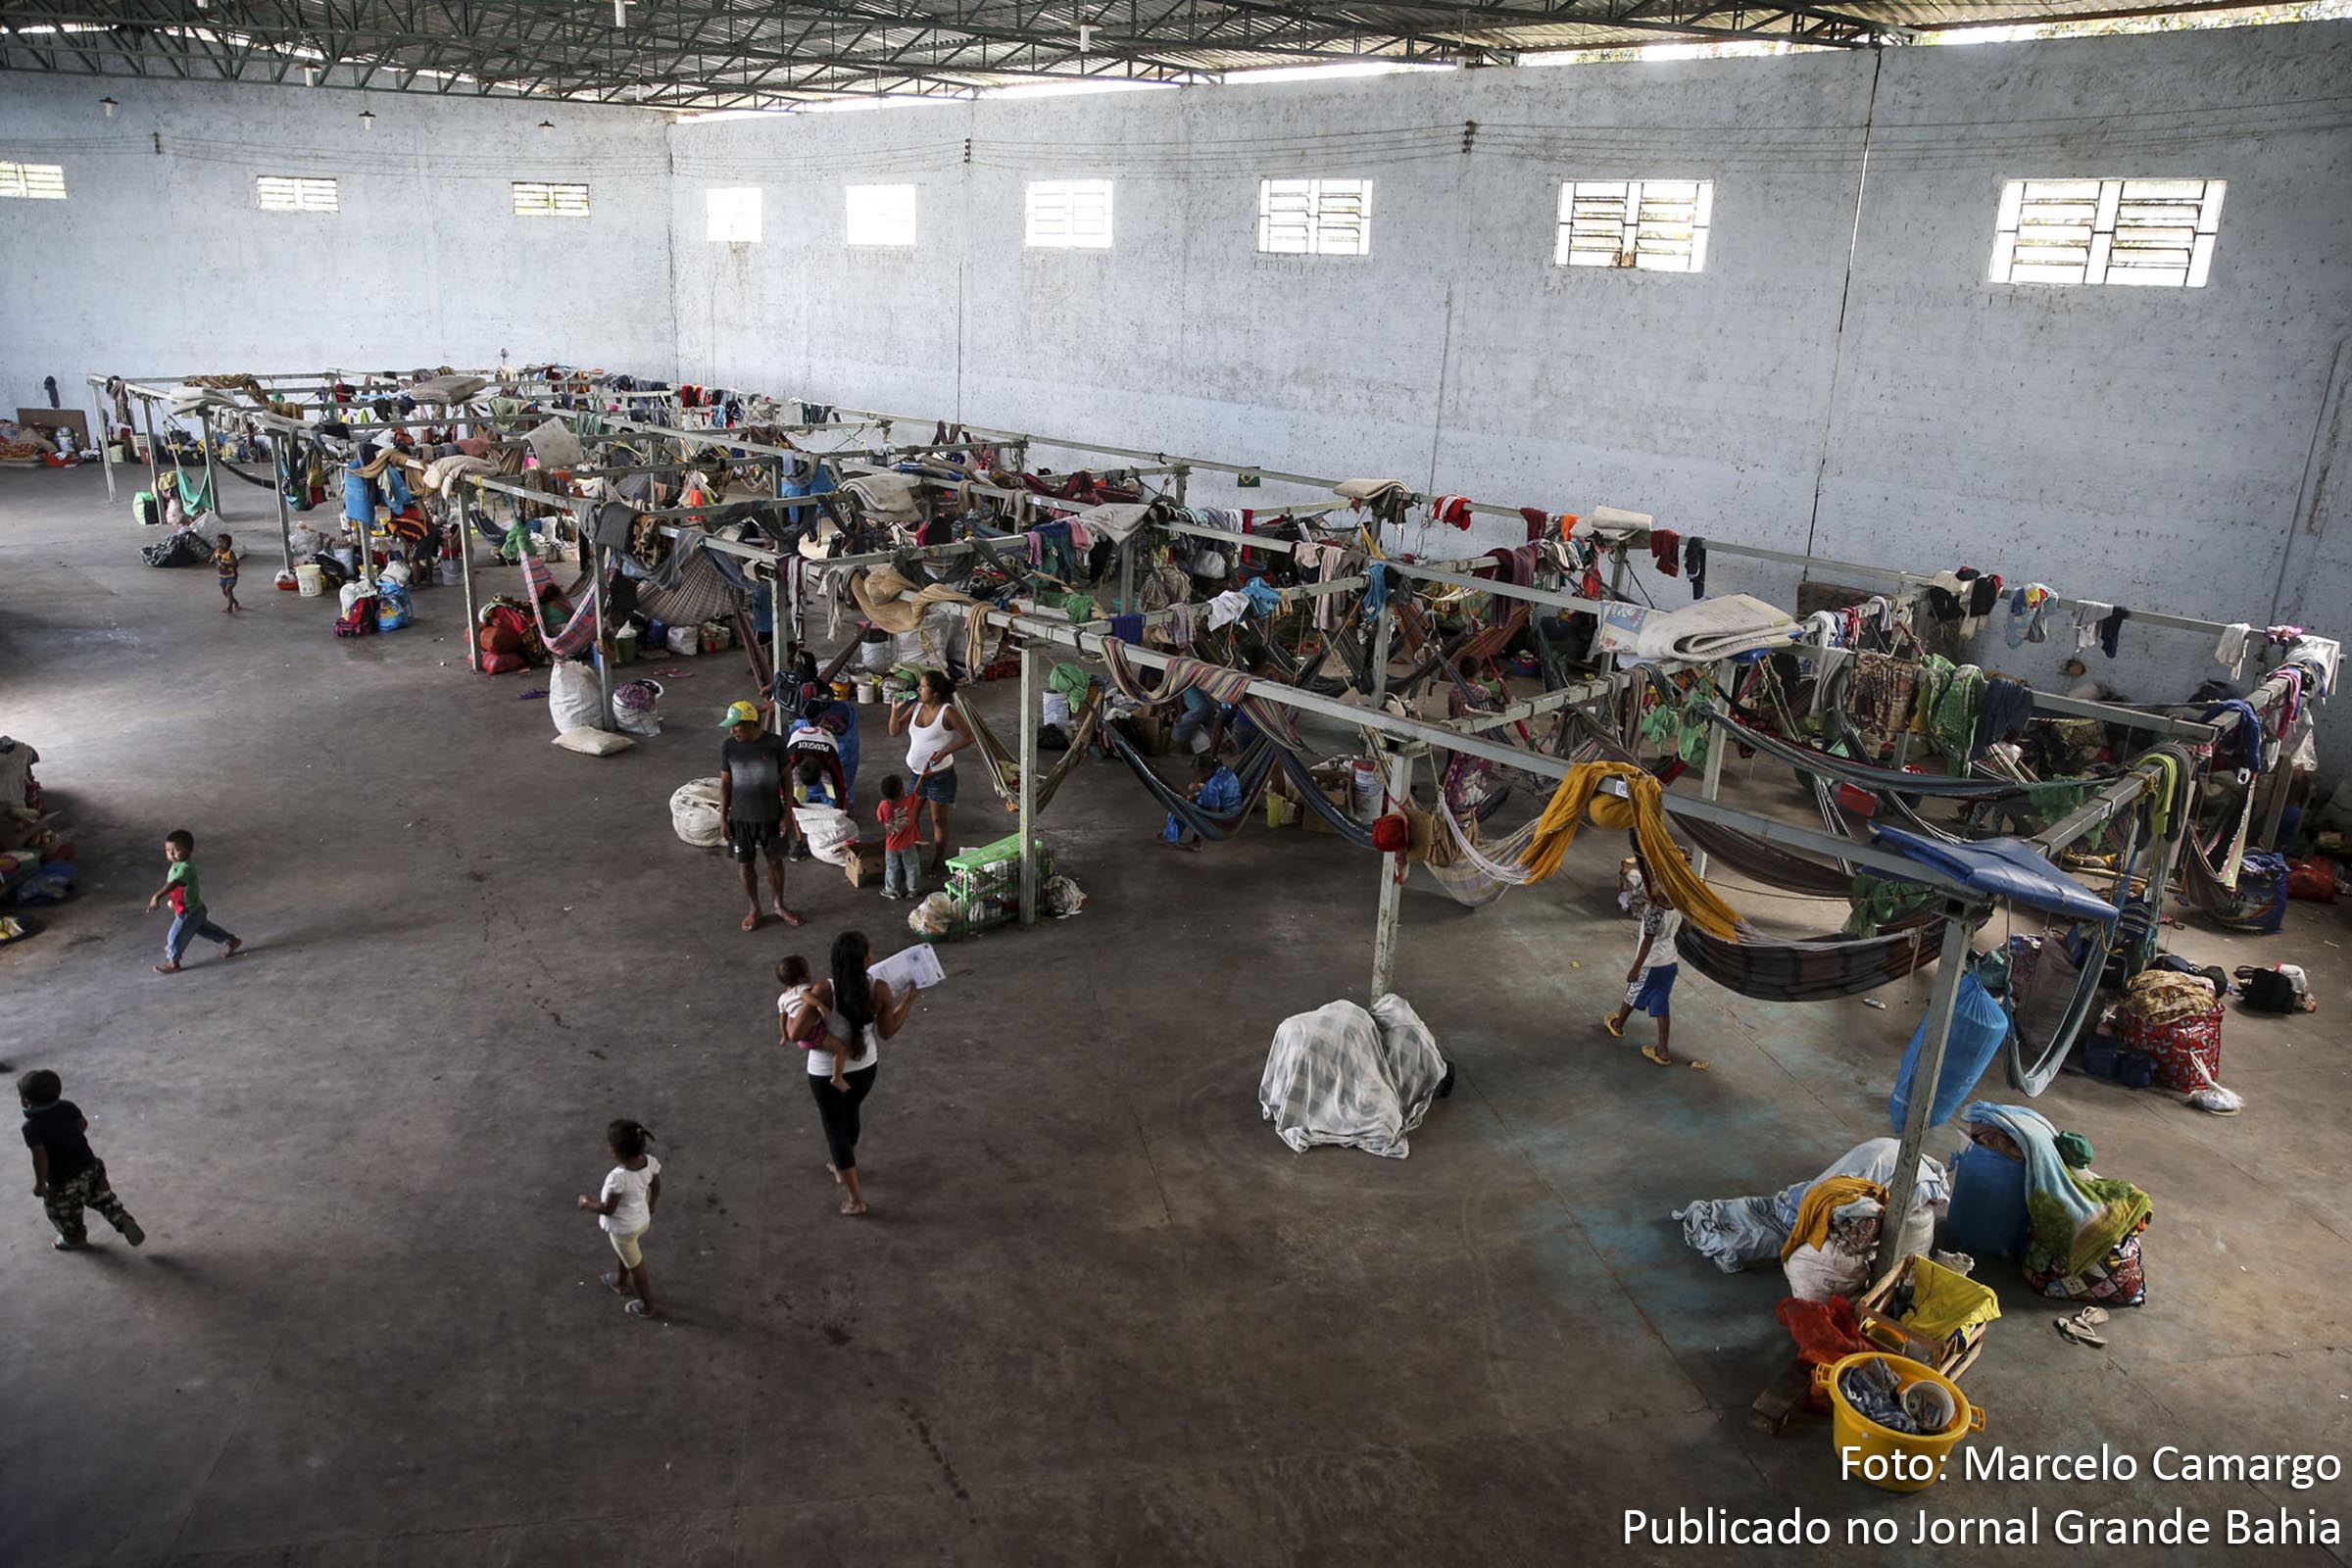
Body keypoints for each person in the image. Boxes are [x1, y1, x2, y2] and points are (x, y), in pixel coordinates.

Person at [779, 930, 916, 1216]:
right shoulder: (879, 988)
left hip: (824, 1072)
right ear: (865, 960)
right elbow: (887, 1031)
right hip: (866, 1069)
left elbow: (795, 1033)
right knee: (851, 1114)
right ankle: (843, 1164)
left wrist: (803, 1007)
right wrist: (910, 999)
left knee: (834, 1129)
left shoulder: (824, 990)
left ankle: (855, 1199)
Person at [20, 1068, 144, 1251]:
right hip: (91, 1167)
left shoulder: (31, 1127)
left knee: (62, 1212)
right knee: (103, 1198)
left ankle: (74, 1238)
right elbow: (83, 1124)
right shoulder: (68, 1107)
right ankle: (121, 1218)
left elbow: (40, 1158)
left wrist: (40, 1185)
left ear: (26, 1101)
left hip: (63, 1181)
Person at [1604, 854, 1706, 1069]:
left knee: (1632, 992)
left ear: (1663, 892)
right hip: (1669, 964)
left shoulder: (1654, 913)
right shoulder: (1676, 909)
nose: (1653, 885)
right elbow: (1686, 930)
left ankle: (1618, 1025)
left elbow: (1647, 943)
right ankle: (1662, 1050)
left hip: (1651, 963)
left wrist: (1635, 968)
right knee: (1661, 1004)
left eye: (1657, 884)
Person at [719, 700, 804, 932]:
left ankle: (778, 904)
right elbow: (725, 784)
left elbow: (787, 779)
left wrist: (787, 813)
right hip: (740, 818)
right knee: (745, 864)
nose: (732, 731)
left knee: (775, 861)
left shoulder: (775, 744)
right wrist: (723, 818)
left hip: (771, 816)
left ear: (750, 724)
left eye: (736, 726)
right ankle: (754, 908)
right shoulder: (729, 747)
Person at [889, 669, 973, 875]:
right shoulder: (916, 707)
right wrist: (894, 711)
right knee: (911, 816)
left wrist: (945, 751)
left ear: (935, 693)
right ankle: (913, 854)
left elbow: (968, 737)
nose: (919, 689)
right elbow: (894, 731)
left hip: (940, 777)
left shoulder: (948, 712)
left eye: (923, 686)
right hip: (917, 774)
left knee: (938, 820)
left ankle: (938, 859)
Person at [575, 1118, 662, 1319]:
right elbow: (656, 1186)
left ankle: (648, 1306)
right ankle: (621, 1282)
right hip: (641, 1219)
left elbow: (608, 1208)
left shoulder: (618, 1178)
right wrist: (652, 1205)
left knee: (636, 1265)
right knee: (626, 1251)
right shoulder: (650, 1162)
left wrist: (586, 1203)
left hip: (624, 1229)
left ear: (615, 1152)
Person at [147, 828, 241, 974]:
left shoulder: (186, 868)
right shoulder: (176, 865)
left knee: (174, 936)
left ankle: (174, 962)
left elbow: (174, 884)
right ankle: (232, 941)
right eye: (168, 850)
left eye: (176, 850)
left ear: (189, 850)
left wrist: (157, 896)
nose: (171, 854)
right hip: (195, 909)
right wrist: (173, 902)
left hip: (189, 912)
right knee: (207, 930)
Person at [1163, 753, 1240, 853]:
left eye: (1196, 772)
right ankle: (1169, 833)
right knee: (1191, 801)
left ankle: (1176, 838)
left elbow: (1213, 813)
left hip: (1224, 816)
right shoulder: (1225, 770)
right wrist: (1197, 795)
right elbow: (1220, 792)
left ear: (1204, 771)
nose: (1195, 775)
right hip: (1235, 808)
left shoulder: (1211, 787)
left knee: (1179, 809)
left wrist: (1195, 802)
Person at [875, 774, 922, 899]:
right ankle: (913, 889)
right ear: (901, 790)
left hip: (891, 845)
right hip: (908, 843)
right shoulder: (909, 800)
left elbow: (880, 818)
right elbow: (916, 792)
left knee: (892, 867)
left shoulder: (883, 806)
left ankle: (891, 890)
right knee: (912, 866)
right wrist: (922, 777)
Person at [213, 531, 241, 615]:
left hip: (232, 576)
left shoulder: (230, 553)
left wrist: (226, 563)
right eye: (219, 541)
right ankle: (235, 602)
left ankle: (229, 607)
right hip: (223, 576)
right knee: (225, 592)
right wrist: (213, 561)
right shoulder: (216, 552)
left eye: (223, 542)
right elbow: (212, 559)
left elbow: (236, 564)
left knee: (229, 590)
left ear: (228, 544)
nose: (220, 544)